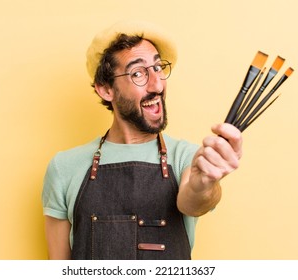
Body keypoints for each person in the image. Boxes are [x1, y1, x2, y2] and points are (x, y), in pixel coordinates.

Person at [42, 20, 243, 260]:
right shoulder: (64, 168)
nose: (157, 84)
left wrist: (205, 182)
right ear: (106, 89)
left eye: (158, 68)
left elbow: (194, 201)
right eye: (138, 73)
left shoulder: (186, 157)